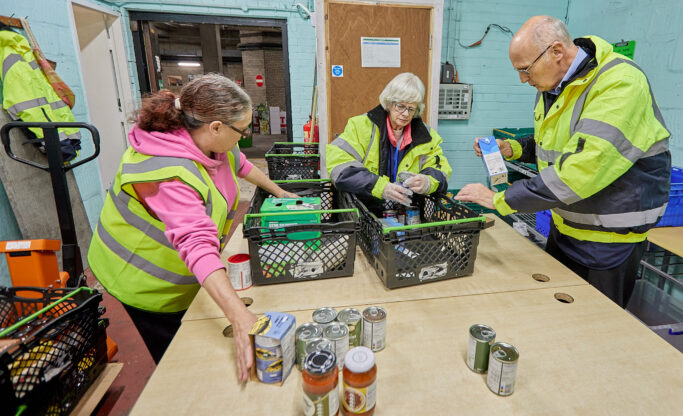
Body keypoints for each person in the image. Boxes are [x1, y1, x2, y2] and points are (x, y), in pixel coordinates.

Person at [88, 74, 297, 379]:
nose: (245, 136)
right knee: (183, 361)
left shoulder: (213, 140)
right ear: (216, 127)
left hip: (186, 272)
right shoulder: (166, 171)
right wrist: (240, 316)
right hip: (143, 280)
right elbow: (195, 244)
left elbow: (239, 163)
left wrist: (279, 191)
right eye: (242, 130)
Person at [455, 16, 671, 308]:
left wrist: (500, 199)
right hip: (565, 228)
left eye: (525, 69)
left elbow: (583, 168)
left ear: (556, 51)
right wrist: (514, 148)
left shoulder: (619, 83)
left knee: (594, 327)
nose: (522, 79)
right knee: (553, 314)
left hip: (607, 243)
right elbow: (558, 143)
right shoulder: (553, 87)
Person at [326, 72, 452, 212]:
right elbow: (338, 164)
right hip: (365, 212)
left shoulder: (427, 136)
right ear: (389, 103)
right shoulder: (360, 126)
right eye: (400, 106)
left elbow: (440, 168)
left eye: (411, 108)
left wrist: (428, 182)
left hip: (406, 212)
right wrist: (380, 187)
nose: (405, 114)